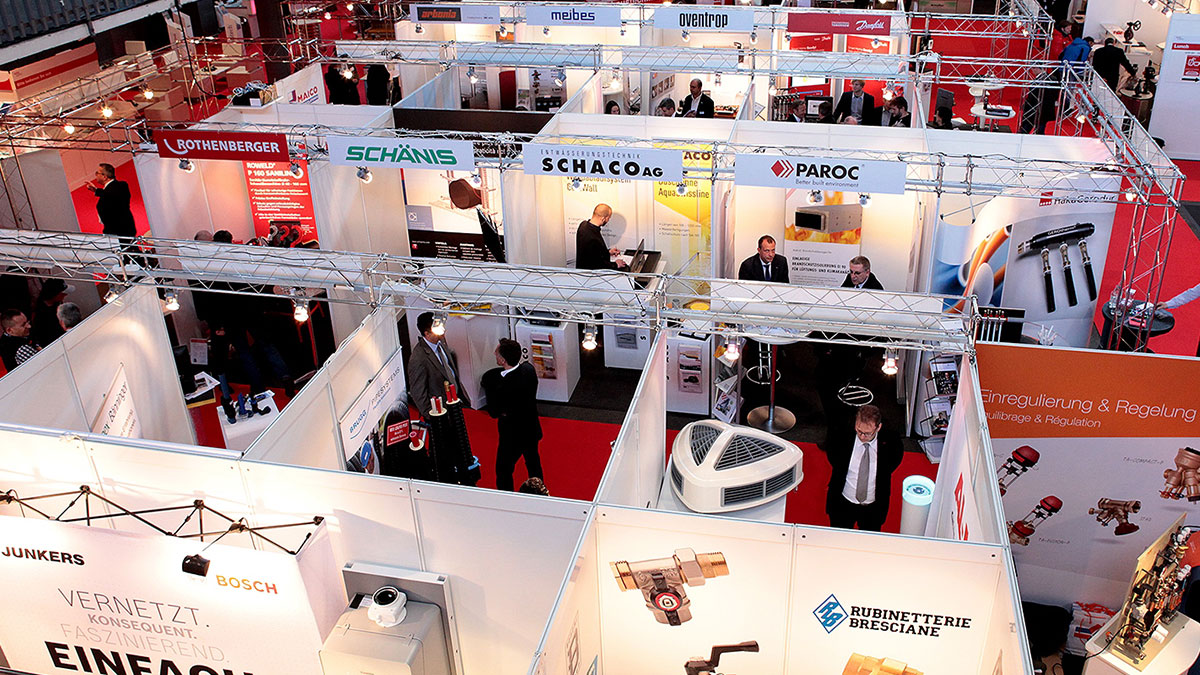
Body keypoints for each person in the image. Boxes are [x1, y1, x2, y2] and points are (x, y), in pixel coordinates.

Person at [824, 404, 903, 532]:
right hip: (843, 502)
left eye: (867, 433)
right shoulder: (842, 435)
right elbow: (833, 456)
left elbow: (894, 460)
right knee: (839, 537)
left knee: (869, 540)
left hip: (873, 507)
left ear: (878, 427)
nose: (862, 436)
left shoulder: (891, 440)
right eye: (859, 430)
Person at [481, 338, 543, 491]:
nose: (494, 354)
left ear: (503, 360)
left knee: (503, 470)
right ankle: (540, 492)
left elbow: (493, 412)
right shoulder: (529, 370)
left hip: (511, 436)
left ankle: (507, 498)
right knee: (533, 464)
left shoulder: (500, 386)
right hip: (531, 429)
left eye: (497, 353)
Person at [407, 311, 472, 419]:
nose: (443, 331)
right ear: (427, 333)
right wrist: (432, 417)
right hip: (442, 410)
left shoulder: (441, 340)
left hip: (458, 398)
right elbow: (418, 392)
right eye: (437, 330)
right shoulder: (418, 359)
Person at [89, 163, 136, 239]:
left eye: (97, 173)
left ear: (104, 176)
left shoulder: (120, 185)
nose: (96, 175)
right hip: (112, 233)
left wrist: (97, 191)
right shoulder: (105, 192)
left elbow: (112, 195)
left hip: (122, 231)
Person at [576, 204, 627, 270]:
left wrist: (608, 252)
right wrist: (616, 264)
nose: (608, 220)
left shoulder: (583, 225)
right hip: (590, 274)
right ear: (603, 219)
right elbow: (597, 264)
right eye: (608, 218)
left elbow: (592, 254)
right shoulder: (592, 237)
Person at [30, 279, 72, 349]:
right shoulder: (40, 315)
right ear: (56, 295)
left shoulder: (57, 304)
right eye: (63, 294)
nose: (65, 295)